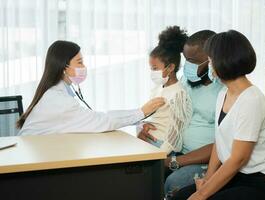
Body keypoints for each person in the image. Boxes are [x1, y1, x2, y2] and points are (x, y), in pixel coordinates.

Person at [174, 30, 265, 200]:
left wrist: (201, 195)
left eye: (211, 61)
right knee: (181, 196)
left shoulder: (251, 99)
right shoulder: (224, 94)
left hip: (261, 180)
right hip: (236, 177)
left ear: (223, 61)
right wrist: (207, 180)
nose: (209, 66)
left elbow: (238, 159)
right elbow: (220, 145)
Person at [138, 30, 223, 195]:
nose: (187, 66)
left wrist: (173, 161)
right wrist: (146, 129)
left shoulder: (224, 90)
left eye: (193, 61)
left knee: (173, 182)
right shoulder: (185, 82)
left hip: (206, 160)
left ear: (212, 59)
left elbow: (224, 145)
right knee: (140, 173)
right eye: (186, 60)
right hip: (176, 150)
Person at [17, 40, 165, 135]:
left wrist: (138, 118)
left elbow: (92, 119)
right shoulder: (58, 100)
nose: (84, 67)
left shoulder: (57, 93)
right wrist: (141, 112)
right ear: (64, 67)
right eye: (80, 62)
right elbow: (100, 121)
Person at [139, 26, 192, 154]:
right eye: (151, 68)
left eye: (155, 68)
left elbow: (176, 132)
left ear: (170, 68)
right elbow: (153, 116)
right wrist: (142, 126)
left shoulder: (178, 93)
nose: (152, 72)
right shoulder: (157, 88)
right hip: (149, 141)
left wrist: (160, 157)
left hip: (162, 147)